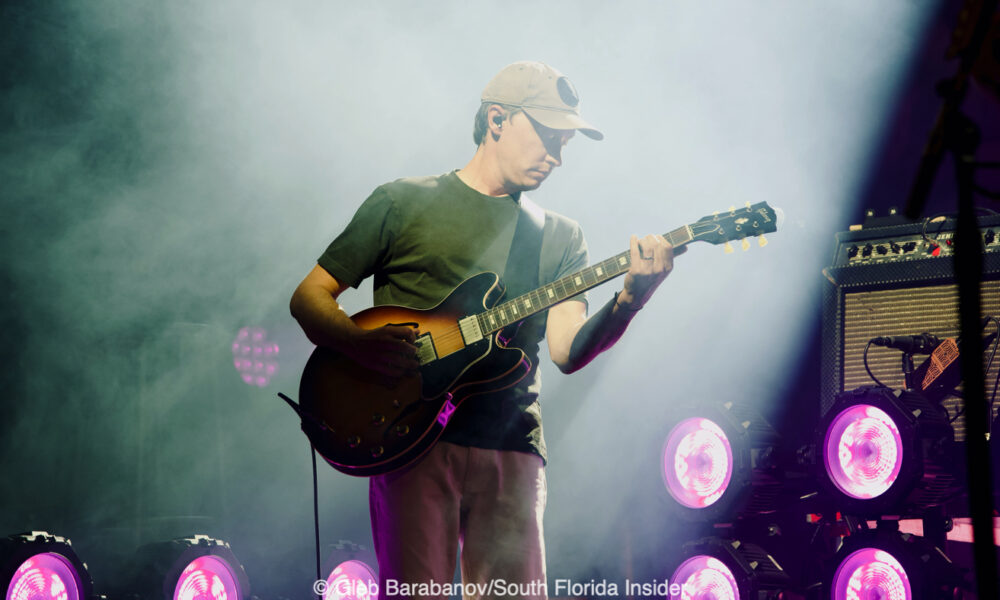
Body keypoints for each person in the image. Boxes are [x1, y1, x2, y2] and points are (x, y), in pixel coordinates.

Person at [290, 61, 679, 599]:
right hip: (410, 438)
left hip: (511, 445)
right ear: (497, 119)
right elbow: (309, 296)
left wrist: (630, 302)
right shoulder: (402, 202)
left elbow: (567, 351)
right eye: (549, 137)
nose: (557, 157)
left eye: (565, 144)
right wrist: (356, 343)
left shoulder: (561, 236)